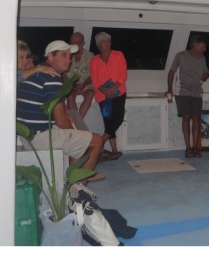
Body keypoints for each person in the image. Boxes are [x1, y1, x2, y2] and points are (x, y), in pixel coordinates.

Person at [16, 40, 104, 184]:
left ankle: (73, 175)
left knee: (73, 127)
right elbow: (60, 120)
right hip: (41, 138)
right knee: (96, 141)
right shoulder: (52, 78)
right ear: (50, 57)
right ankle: (78, 187)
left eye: (69, 56)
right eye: (64, 55)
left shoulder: (32, 74)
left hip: (27, 135)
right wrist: (74, 133)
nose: (68, 60)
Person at [165, 35, 209, 158]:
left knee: (196, 118)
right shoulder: (181, 56)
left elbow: (203, 78)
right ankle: (188, 147)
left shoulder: (202, 58)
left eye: (205, 47)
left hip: (196, 92)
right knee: (186, 117)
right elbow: (171, 72)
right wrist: (169, 89)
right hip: (182, 91)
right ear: (195, 45)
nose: (204, 49)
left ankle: (195, 147)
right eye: (203, 46)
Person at [90, 32, 127, 160]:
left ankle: (99, 144)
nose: (107, 43)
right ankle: (114, 150)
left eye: (108, 41)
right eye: (104, 41)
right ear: (99, 44)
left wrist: (113, 89)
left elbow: (123, 75)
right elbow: (94, 80)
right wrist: (105, 91)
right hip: (103, 97)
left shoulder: (118, 55)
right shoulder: (94, 60)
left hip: (118, 93)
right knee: (108, 122)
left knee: (118, 119)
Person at [64, 32, 95, 120]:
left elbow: (93, 75)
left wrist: (83, 84)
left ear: (83, 43)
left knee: (90, 93)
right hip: (71, 85)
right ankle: (77, 122)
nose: (74, 45)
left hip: (85, 84)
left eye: (77, 42)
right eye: (72, 42)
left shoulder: (91, 56)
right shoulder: (66, 56)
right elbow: (63, 74)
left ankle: (78, 121)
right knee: (69, 95)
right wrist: (73, 85)